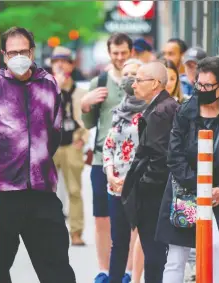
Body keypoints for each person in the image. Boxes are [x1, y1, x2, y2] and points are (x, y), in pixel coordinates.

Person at [0, 26, 76, 282]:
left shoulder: (49, 86)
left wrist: (37, 161)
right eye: (12, 52)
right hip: (3, 195)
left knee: (57, 267)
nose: (18, 57)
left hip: (42, 192)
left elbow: (55, 133)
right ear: (4, 55)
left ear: (32, 51)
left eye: (23, 51)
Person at [156, 56, 219, 283]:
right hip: (185, 191)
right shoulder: (186, 112)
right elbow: (174, 155)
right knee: (177, 256)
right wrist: (198, 186)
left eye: (208, 86)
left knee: (216, 247)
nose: (202, 90)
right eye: (199, 85)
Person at [79, 32, 133, 283]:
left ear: (130, 52)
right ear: (110, 53)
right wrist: (85, 104)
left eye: (124, 52)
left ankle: (128, 271)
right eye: (115, 53)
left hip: (133, 162)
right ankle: (104, 269)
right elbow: (89, 123)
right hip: (102, 159)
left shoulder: (139, 79)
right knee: (102, 217)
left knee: (131, 219)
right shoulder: (99, 82)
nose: (120, 57)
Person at [121, 62, 179, 283]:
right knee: (157, 259)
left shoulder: (161, 112)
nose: (133, 85)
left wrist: (141, 188)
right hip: (158, 194)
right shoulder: (163, 107)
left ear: (155, 83)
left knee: (155, 260)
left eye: (138, 80)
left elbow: (159, 158)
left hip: (154, 198)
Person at [102, 59, 147, 283]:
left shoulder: (152, 110)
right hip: (116, 185)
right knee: (118, 242)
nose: (130, 78)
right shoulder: (118, 111)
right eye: (126, 74)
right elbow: (109, 146)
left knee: (144, 239)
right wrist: (110, 174)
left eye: (135, 74)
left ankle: (137, 279)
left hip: (142, 185)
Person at [51, 46, 89, 246]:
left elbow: (87, 118)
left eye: (64, 60)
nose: (60, 64)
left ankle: (76, 232)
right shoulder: (45, 89)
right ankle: (49, 232)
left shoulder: (80, 92)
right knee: (46, 193)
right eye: (56, 60)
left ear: (71, 64)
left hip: (71, 145)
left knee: (74, 190)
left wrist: (82, 137)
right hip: (51, 146)